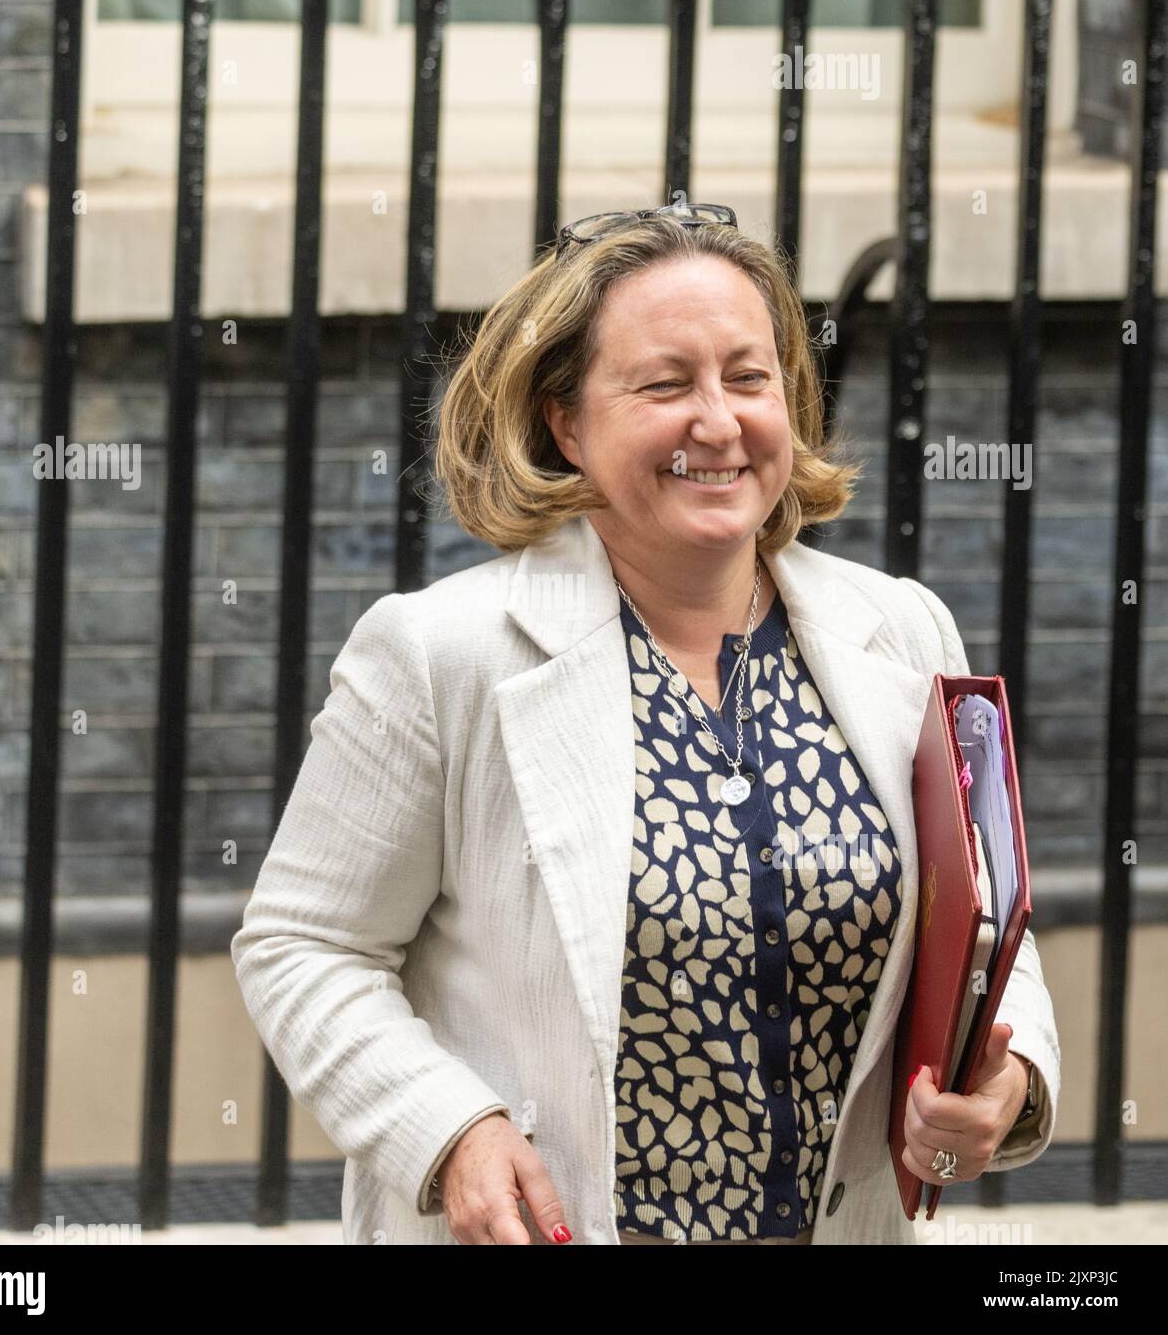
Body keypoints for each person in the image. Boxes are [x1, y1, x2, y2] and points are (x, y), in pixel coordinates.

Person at [231, 202, 1060, 1246]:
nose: (716, 421)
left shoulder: (900, 630)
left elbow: (982, 922)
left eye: (746, 378)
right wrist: (449, 1133)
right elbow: (303, 943)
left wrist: (1011, 1076)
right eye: (664, 384)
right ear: (565, 420)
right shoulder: (440, 655)